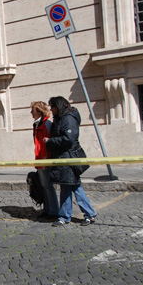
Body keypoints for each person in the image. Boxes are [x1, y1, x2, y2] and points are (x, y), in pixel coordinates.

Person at [45, 96, 97, 227]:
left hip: (68, 158)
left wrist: (50, 141)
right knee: (71, 186)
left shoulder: (68, 119)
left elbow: (68, 139)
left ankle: (67, 216)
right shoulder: (62, 118)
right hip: (63, 158)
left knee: (69, 187)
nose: (51, 110)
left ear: (59, 106)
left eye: (52, 107)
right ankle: (85, 214)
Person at [30, 101, 59, 218]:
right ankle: (47, 209)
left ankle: (54, 211)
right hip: (40, 158)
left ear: (38, 110)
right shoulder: (37, 124)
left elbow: (47, 143)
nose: (31, 112)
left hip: (44, 159)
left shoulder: (46, 123)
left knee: (48, 186)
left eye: (33, 110)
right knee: (44, 185)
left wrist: (45, 160)